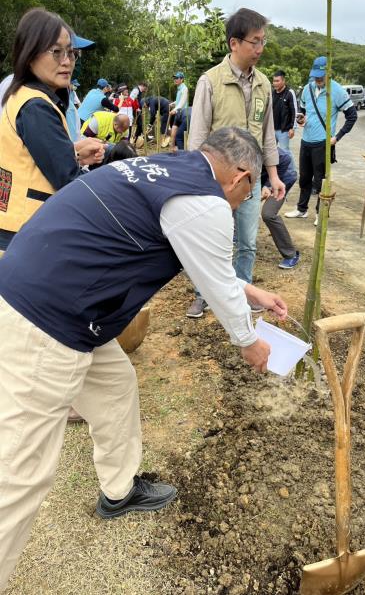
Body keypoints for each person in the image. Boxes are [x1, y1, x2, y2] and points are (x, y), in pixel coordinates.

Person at [0, 127, 287, 590]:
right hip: (48, 318)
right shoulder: (207, 201)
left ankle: (118, 490)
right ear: (242, 175)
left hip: (45, 288)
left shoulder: (169, 169)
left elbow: (206, 268)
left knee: (115, 386)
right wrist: (248, 341)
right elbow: (213, 279)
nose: (244, 200)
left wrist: (251, 293)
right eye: (250, 190)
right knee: (19, 471)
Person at [187, 7, 284, 318]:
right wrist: (196, 181)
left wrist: (274, 175)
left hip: (251, 183)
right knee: (211, 242)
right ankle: (203, 294)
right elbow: (198, 136)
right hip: (217, 183)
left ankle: (242, 295)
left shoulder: (264, 85)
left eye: (263, 42)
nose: (259, 49)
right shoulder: (210, 81)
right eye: (254, 42)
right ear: (234, 43)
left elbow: (268, 133)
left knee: (247, 243)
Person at [0, 8, 105, 251]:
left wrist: (73, 153)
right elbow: (70, 181)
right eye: (56, 52)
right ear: (30, 54)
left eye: (71, 52)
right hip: (26, 233)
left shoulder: (20, 95)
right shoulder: (36, 106)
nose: (67, 61)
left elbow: (28, 158)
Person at [284, 56, 357, 224]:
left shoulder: (337, 91)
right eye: (315, 75)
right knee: (304, 178)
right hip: (306, 141)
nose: (317, 79)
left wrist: (337, 137)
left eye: (320, 76)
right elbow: (302, 109)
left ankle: (320, 213)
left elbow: (352, 116)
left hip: (323, 143)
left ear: (328, 73)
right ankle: (301, 209)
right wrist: (301, 118)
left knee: (320, 181)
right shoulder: (308, 89)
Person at [261, 147, 300, 269]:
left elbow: (285, 158)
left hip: (282, 178)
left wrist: (268, 185)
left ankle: (290, 254)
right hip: (258, 178)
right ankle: (236, 236)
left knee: (268, 214)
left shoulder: (258, 145)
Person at [272, 69, 296, 157]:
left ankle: (291, 171)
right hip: (272, 129)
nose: (275, 83)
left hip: (284, 130)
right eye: (274, 81)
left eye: (277, 81)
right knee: (271, 152)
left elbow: (294, 111)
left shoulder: (289, 93)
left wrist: (292, 128)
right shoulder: (272, 93)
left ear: (283, 81)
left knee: (285, 153)